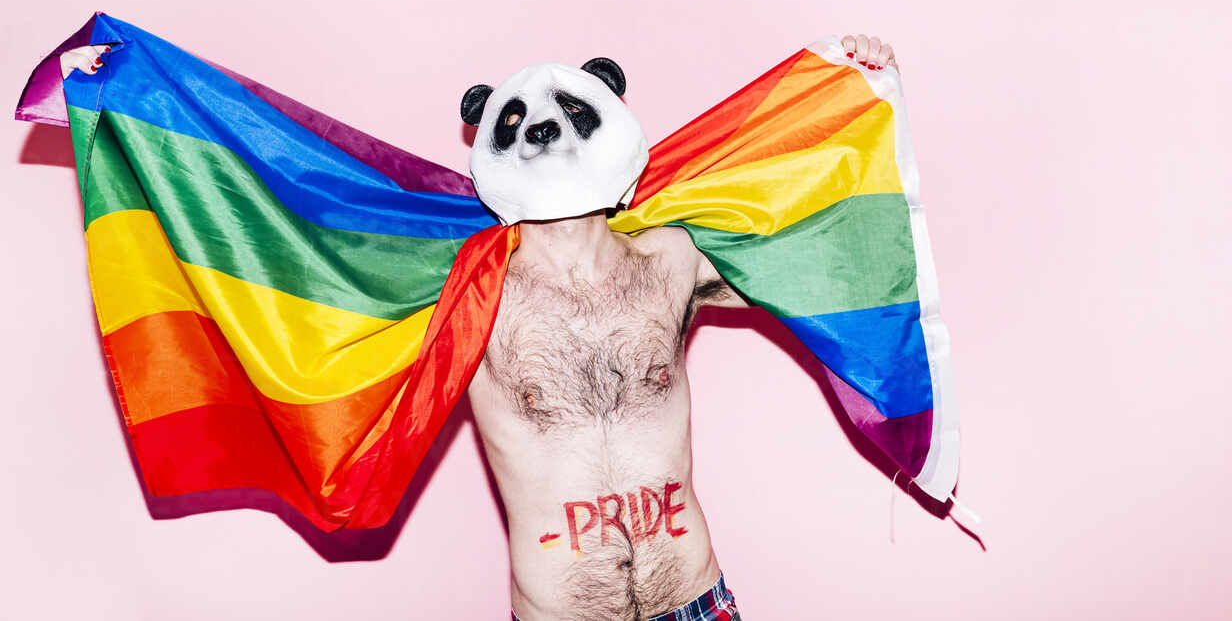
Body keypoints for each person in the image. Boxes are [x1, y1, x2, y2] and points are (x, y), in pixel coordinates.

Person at [57, 33, 900, 621]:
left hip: (700, 602)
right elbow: (281, 208)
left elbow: (813, 235)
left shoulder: (676, 260)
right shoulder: (467, 287)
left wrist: (853, 86)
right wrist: (123, 94)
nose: (545, 134)